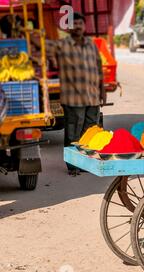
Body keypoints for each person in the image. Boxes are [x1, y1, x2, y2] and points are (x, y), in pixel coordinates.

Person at [47, 12, 106, 176]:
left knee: (90, 131)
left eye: (81, 23)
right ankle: (73, 165)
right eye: (75, 24)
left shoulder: (91, 44)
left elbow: (98, 67)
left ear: (84, 26)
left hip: (92, 96)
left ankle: (86, 162)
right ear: (69, 27)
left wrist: (103, 91)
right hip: (73, 98)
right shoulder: (61, 45)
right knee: (73, 133)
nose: (78, 26)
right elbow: (42, 46)